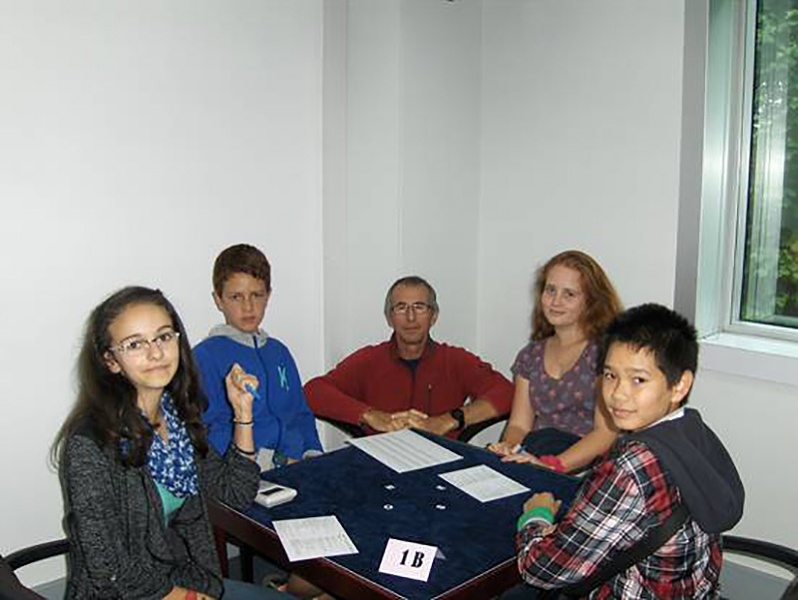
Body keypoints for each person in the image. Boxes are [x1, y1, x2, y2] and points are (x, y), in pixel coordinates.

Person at [53, 286, 289, 600]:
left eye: (163, 337)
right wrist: (189, 598)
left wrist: (243, 414)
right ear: (110, 360)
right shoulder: (90, 444)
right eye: (135, 344)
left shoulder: (177, 421)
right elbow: (108, 569)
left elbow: (235, 492)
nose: (156, 353)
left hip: (184, 578)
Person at [504, 303, 745, 599]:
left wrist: (536, 517)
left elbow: (542, 569)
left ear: (680, 385)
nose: (617, 393)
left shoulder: (631, 467)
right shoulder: (693, 430)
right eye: (610, 375)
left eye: (638, 379)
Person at [304, 275, 513, 437]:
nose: (410, 317)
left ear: (434, 316)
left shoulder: (454, 360)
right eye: (401, 307)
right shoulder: (369, 360)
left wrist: (450, 419)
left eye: (419, 307)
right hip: (380, 462)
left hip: (442, 461)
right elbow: (313, 391)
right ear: (389, 317)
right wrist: (369, 415)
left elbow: (506, 393)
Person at [488, 250, 622, 473]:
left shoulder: (606, 355)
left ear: (591, 302)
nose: (556, 301)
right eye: (550, 290)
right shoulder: (530, 355)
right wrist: (508, 449)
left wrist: (552, 466)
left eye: (569, 294)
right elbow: (519, 425)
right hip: (536, 456)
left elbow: (605, 434)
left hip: (587, 469)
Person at [194, 244, 322, 470]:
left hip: (299, 464)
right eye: (236, 297)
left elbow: (301, 414)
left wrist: (313, 453)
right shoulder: (205, 357)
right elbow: (210, 431)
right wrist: (272, 460)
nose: (248, 307)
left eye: (256, 295)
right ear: (219, 300)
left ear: (268, 296)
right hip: (249, 472)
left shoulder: (279, 352)